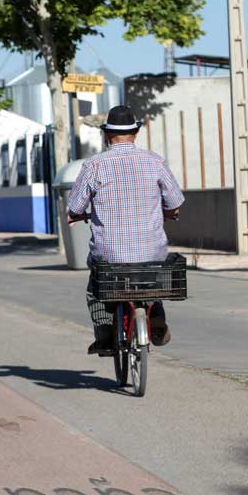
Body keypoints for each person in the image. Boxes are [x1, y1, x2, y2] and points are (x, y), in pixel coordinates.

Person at [67, 105, 184, 354]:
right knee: (152, 278)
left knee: (95, 289)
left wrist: (77, 214)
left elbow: (75, 205)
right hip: (150, 253)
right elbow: (174, 202)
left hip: (110, 256)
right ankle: (156, 318)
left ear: (107, 134)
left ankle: (105, 334)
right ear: (136, 132)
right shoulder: (154, 161)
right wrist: (170, 212)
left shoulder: (94, 165)